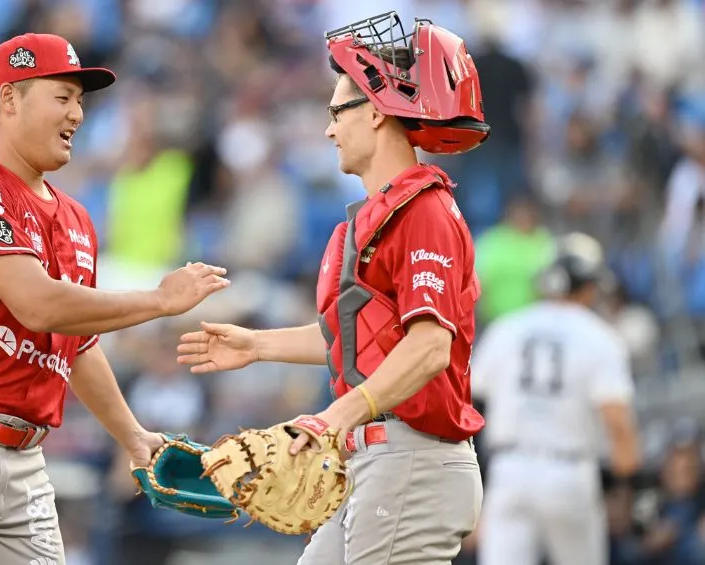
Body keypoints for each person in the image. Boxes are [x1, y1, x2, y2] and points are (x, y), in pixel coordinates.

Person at [0, 33, 229, 565]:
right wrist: (159, 300)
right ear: (9, 99)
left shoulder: (77, 218)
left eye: (80, 100)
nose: (78, 114)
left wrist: (133, 436)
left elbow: (74, 342)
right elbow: (38, 305)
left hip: (23, 460)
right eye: (63, 97)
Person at [179, 11, 489, 564]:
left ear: (374, 112)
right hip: (377, 459)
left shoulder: (424, 210)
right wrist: (257, 346)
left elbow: (429, 347)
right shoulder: (377, 214)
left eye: (336, 112)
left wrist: (335, 417)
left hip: (413, 459)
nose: (328, 129)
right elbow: (360, 340)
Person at [470, 232, 641, 565]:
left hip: (509, 471)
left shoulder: (508, 327)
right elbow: (617, 420)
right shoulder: (600, 336)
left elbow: (472, 406)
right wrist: (626, 482)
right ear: (590, 287)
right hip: (570, 472)